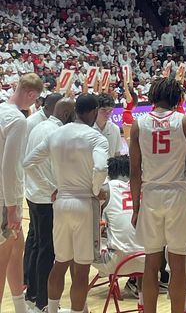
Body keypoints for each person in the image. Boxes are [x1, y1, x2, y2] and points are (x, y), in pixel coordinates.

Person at [23, 93, 109, 313]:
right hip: (84, 204)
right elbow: (100, 168)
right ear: (92, 112)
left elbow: (28, 162)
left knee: (59, 263)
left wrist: (51, 186)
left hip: (60, 203)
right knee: (81, 269)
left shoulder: (56, 134)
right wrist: (96, 189)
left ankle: (51, 310)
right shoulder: (96, 138)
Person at [129, 77, 186, 313]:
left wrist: (136, 208)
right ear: (177, 98)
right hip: (178, 193)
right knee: (177, 264)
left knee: (151, 264)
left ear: (153, 96)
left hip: (150, 193)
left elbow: (134, 171)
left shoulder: (139, 124)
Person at [23, 98, 76, 313]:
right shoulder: (56, 132)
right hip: (47, 198)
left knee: (37, 245)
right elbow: (32, 162)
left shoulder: (40, 126)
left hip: (33, 194)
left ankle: (33, 294)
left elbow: (28, 162)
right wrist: (52, 187)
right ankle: (44, 302)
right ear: (65, 114)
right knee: (48, 250)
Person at [0, 74, 44, 313]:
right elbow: (9, 167)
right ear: (29, 93)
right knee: (3, 257)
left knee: (17, 249)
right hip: (5, 196)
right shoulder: (17, 120)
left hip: (4, 193)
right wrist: (11, 207)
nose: (33, 103)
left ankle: (20, 306)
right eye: (35, 98)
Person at [94, 155, 145, 307]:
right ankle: (142, 302)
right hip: (147, 261)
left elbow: (95, 224)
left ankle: (81, 307)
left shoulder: (104, 190)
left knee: (80, 251)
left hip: (117, 263)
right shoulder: (143, 187)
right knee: (141, 246)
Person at [94, 93, 122, 157]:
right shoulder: (87, 128)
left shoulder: (115, 129)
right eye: (103, 110)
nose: (107, 113)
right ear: (95, 110)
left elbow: (117, 153)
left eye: (110, 110)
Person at [122, 73, 138, 146]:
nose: (125, 92)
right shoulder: (132, 99)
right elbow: (131, 86)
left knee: (127, 137)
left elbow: (126, 87)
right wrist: (130, 76)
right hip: (128, 116)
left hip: (127, 116)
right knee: (128, 137)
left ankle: (131, 153)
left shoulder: (130, 99)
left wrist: (125, 78)